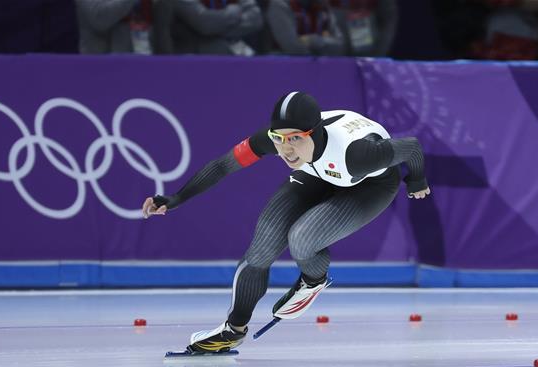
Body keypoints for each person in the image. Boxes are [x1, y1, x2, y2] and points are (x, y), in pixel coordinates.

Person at [142, 91, 430, 353]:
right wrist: (176, 198)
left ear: (314, 134)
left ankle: (313, 279)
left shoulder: (358, 155)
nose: (286, 149)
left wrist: (416, 181)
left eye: (295, 138)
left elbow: (413, 147)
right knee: (261, 249)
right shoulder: (275, 141)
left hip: (368, 185)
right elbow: (223, 165)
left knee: (302, 239)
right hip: (317, 172)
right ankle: (233, 329)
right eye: (279, 139)